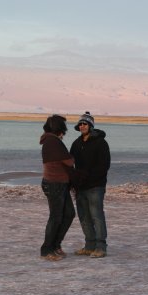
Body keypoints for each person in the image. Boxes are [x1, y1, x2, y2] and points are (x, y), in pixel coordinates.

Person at [69, 111, 110, 258]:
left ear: (90, 125)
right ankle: (89, 245)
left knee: (96, 216)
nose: (82, 126)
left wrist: (88, 178)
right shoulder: (76, 143)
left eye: (84, 124)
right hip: (80, 187)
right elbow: (70, 163)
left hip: (95, 187)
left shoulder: (101, 143)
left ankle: (101, 247)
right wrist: (73, 180)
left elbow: (104, 166)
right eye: (80, 124)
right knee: (84, 216)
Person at [39, 114, 76, 261]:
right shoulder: (53, 142)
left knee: (68, 214)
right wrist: (72, 158)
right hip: (54, 184)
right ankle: (47, 249)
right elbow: (68, 161)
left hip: (60, 184)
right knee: (56, 217)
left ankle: (55, 245)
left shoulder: (51, 141)